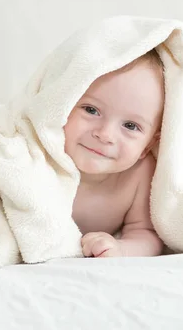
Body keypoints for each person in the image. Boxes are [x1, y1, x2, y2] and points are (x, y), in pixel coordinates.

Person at [64, 48, 166, 258]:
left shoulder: (139, 173)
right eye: (91, 110)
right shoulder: (36, 155)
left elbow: (145, 233)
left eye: (130, 125)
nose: (105, 134)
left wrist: (120, 249)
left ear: (146, 147)